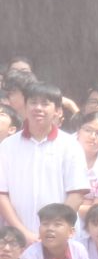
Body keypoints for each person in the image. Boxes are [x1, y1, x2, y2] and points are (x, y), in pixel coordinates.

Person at [0, 82, 89, 243]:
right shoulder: (7, 146)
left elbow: (77, 194)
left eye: (45, 103)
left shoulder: (70, 145)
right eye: (33, 102)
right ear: (25, 107)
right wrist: (24, 234)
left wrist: (53, 230)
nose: (38, 108)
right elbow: (2, 194)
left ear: (58, 111)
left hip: (60, 239)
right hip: (16, 238)